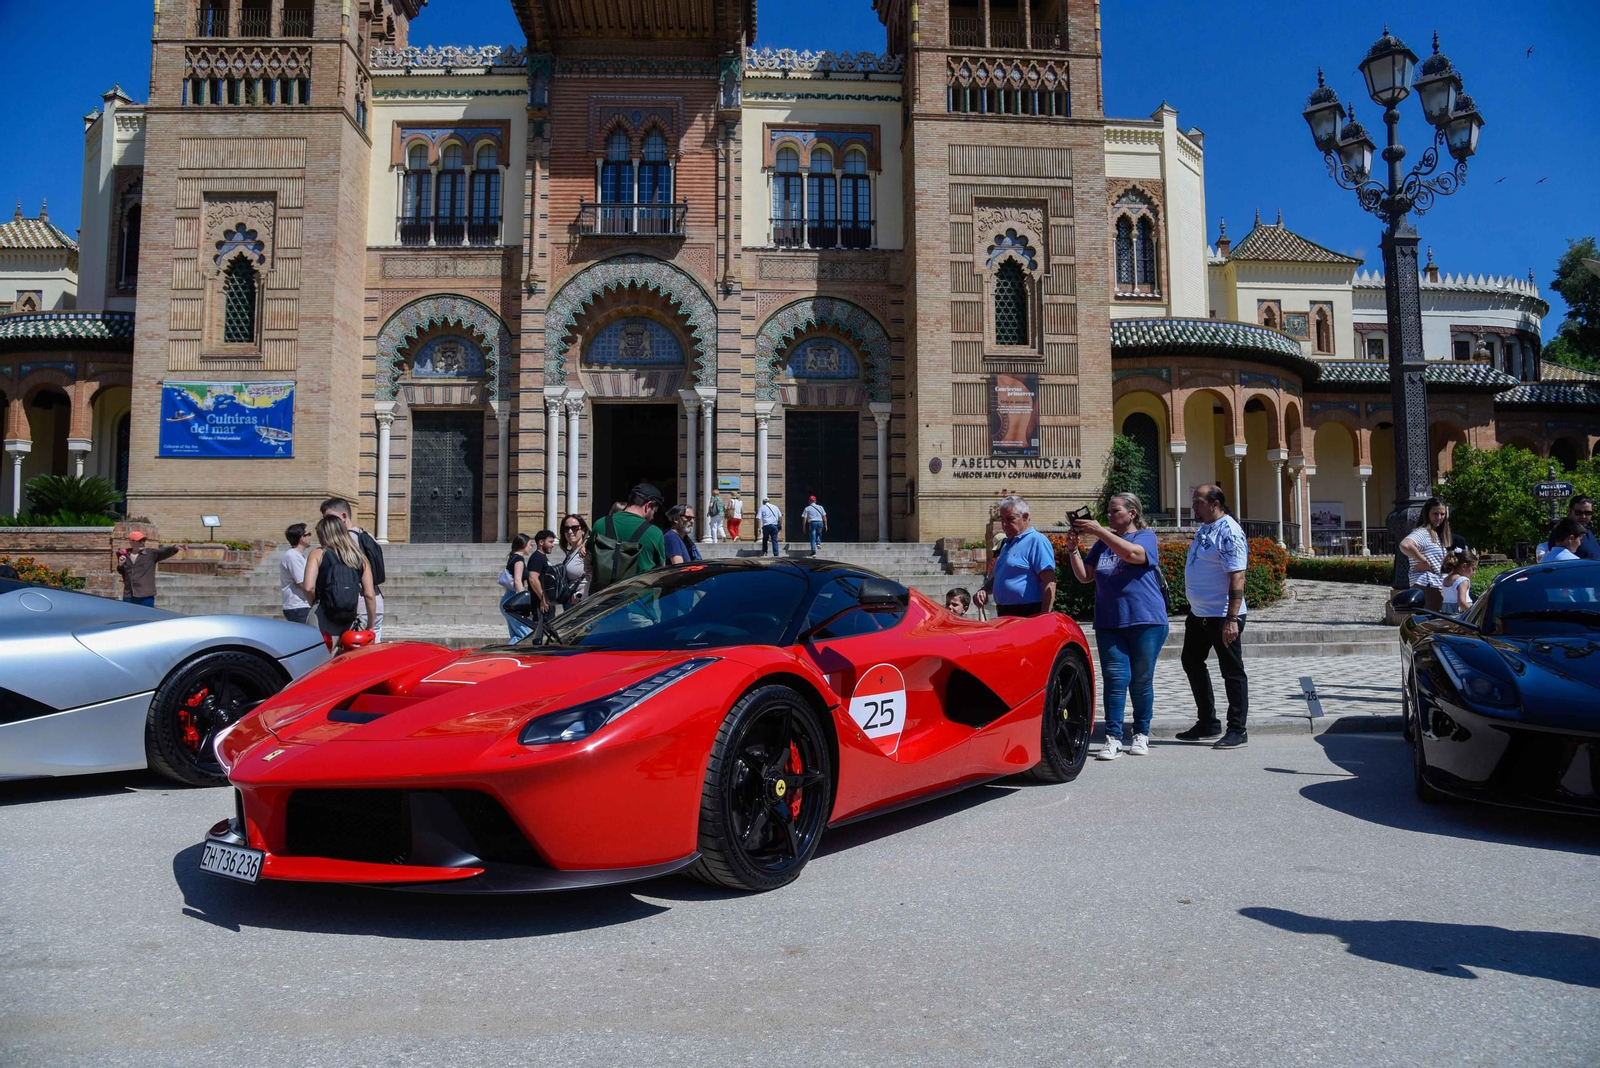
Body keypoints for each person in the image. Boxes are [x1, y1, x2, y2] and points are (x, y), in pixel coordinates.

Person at [1064, 492, 1168, 760]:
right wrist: (1073, 550)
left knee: (1141, 679)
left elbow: (1134, 555)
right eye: (1108, 512)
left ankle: (1141, 733)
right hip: (1110, 621)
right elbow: (1085, 576)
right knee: (1114, 679)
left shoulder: (1144, 537)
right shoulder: (1103, 543)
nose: (1109, 516)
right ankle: (1113, 737)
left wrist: (1100, 531)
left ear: (1132, 513)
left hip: (1145, 619)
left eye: (1115, 511)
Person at [1176, 485, 1250, 750]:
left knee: (1232, 671)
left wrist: (1232, 619)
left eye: (1198, 502)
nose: (1193, 507)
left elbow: (1237, 577)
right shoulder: (1206, 527)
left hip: (1222, 616)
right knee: (1191, 661)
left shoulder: (1229, 532)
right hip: (1200, 615)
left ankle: (1237, 730)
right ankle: (1207, 722)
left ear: (1215, 503)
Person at [301, 515, 379, 648]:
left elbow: (308, 587)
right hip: (349, 616)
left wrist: (314, 603)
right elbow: (369, 595)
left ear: (322, 534)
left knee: (319, 663)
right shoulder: (361, 558)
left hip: (322, 616)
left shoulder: (317, 554)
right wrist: (371, 625)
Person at [974, 495, 1056, 618]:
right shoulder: (1007, 544)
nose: (1004, 524)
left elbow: (1049, 582)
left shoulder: (1036, 540)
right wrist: (984, 590)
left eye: (1010, 519)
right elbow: (999, 577)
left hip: (1027, 613)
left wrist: (1043, 618)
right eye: (1002, 519)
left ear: (1025, 517)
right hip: (1005, 613)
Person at [321, 497, 386, 641]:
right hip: (376, 603)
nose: (325, 523)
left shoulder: (344, 542)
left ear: (343, 517)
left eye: (329, 518)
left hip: (355, 606)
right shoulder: (366, 535)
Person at [589, 483, 667, 589]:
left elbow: (589, 560)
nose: (653, 516)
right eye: (654, 511)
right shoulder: (654, 532)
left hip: (601, 600)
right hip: (638, 601)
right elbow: (659, 571)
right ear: (648, 506)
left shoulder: (600, 524)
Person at [1399, 496, 1450, 612]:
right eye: (1435, 514)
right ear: (1427, 513)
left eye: (1442, 514)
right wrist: (1423, 561)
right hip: (1427, 584)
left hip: (1434, 585)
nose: (1439, 517)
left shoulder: (1435, 534)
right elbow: (1405, 545)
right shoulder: (1422, 532)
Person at [116, 531, 180, 608]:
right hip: (129, 595)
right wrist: (120, 565)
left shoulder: (150, 554)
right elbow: (122, 571)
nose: (142, 543)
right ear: (131, 542)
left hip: (146, 596)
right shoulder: (125, 555)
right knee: (129, 618)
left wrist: (174, 548)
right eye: (139, 541)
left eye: (144, 540)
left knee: (147, 618)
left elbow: (163, 551)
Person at [500, 533, 535, 641]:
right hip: (513, 603)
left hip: (508, 600)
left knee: (516, 635)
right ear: (523, 545)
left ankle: (508, 654)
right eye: (530, 544)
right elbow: (517, 581)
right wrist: (524, 600)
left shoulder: (512, 558)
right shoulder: (519, 559)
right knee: (525, 635)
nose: (531, 547)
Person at [279, 522, 314, 624]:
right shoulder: (292, 556)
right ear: (302, 538)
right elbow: (303, 583)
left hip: (301, 606)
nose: (310, 537)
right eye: (308, 534)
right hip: (298, 607)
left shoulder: (299, 556)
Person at [558, 513, 590, 608]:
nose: (570, 532)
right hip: (571, 601)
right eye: (566, 529)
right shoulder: (570, 552)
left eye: (575, 528)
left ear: (583, 530)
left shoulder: (586, 549)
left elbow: (597, 574)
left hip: (582, 602)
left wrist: (580, 594)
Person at [526, 529, 559, 621]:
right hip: (540, 604)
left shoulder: (543, 557)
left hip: (547, 601)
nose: (553, 545)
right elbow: (533, 578)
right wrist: (542, 598)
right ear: (541, 542)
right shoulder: (536, 558)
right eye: (550, 542)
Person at [1440, 548, 1478, 616]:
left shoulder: (1446, 579)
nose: (1474, 572)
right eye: (1473, 569)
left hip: (1446, 614)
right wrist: (1474, 614)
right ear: (1464, 566)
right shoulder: (1463, 580)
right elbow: (1461, 602)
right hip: (1459, 615)